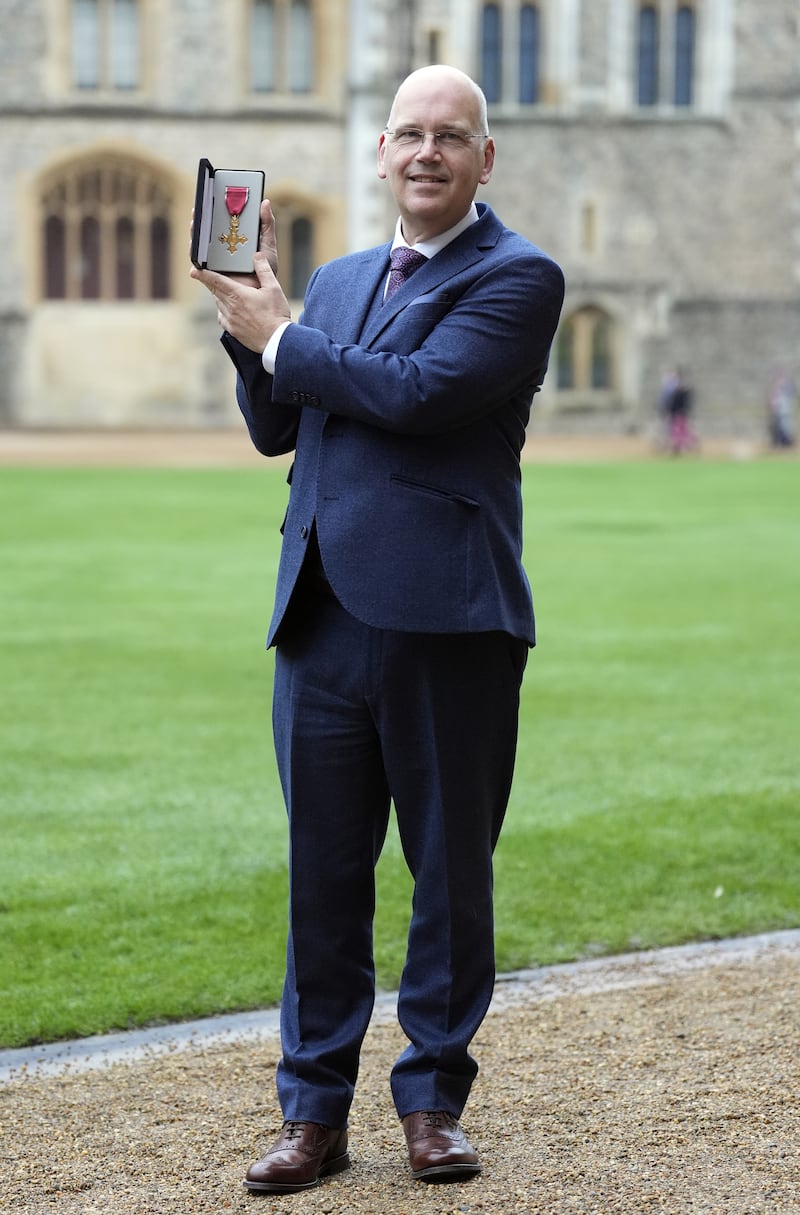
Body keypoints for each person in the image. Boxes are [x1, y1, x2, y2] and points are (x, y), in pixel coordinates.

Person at [191, 64, 564, 1194]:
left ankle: (432, 1102)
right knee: (321, 879)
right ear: (381, 153)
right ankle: (312, 1116)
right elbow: (278, 426)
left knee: (448, 877)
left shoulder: (519, 278)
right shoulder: (340, 276)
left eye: (450, 136)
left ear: (482, 160)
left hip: (447, 621)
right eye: (407, 133)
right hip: (319, 621)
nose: (425, 152)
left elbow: (411, 393)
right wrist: (241, 320)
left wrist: (284, 337)